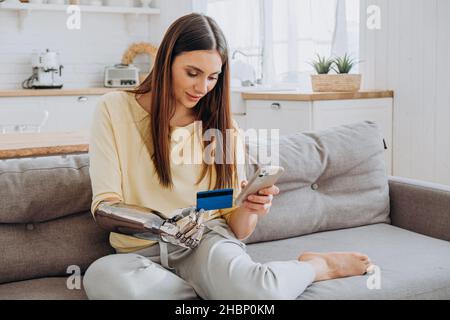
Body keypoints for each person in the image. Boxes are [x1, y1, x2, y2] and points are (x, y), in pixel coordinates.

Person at [83, 13, 373, 300]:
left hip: (205, 243)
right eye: (192, 73)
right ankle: (217, 291)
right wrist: (166, 226)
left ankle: (315, 266)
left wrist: (248, 207)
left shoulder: (222, 128)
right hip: (140, 253)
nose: (202, 88)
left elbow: (234, 224)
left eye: (212, 77)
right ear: (166, 62)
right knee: (101, 278)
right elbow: (106, 205)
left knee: (259, 294)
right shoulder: (114, 109)